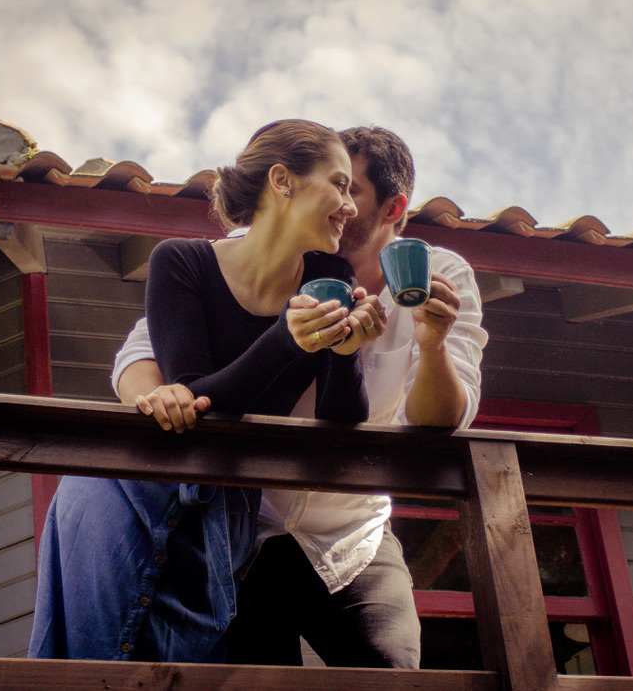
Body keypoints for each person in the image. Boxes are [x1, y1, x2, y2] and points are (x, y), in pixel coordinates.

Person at [113, 126, 489, 668]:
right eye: (336, 185)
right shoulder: (272, 250)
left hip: (352, 528)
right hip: (245, 525)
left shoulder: (439, 277)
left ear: (394, 208)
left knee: (394, 672)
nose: (342, 203)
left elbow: (441, 421)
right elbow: (146, 347)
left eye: (352, 188)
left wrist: (431, 348)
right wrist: (160, 401)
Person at [29, 119, 385, 663]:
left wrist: (344, 351)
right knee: (95, 652)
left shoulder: (330, 275)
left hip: (223, 507)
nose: (350, 206)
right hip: (133, 486)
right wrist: (286, 340)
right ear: (283, 181)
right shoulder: (181, 261)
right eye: (339, 184)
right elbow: (195, 396)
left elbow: (340, 424)